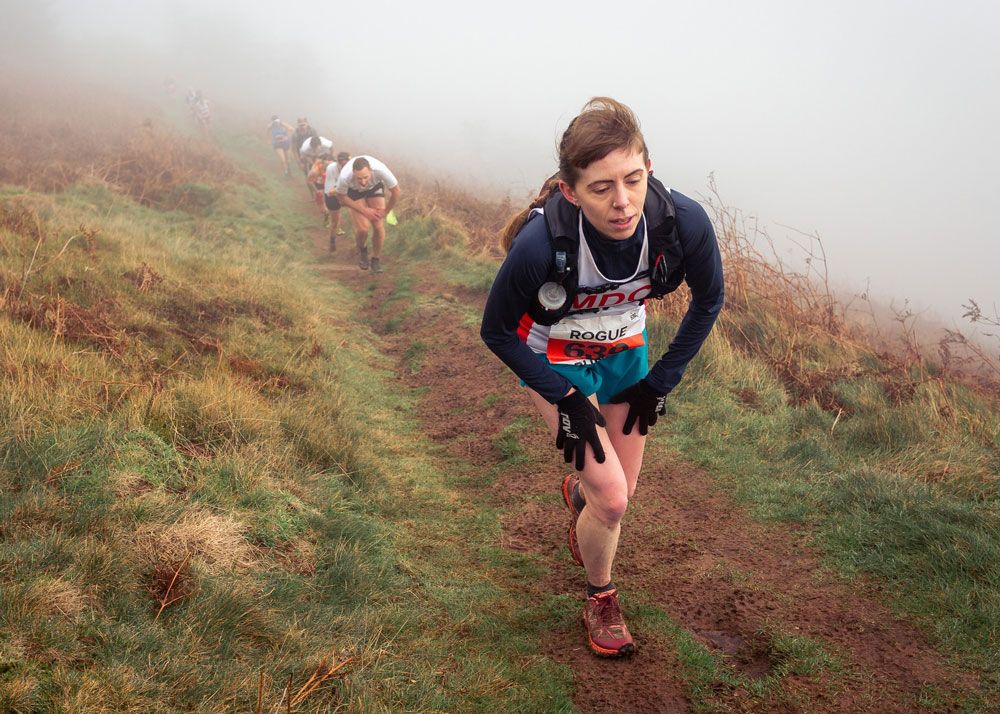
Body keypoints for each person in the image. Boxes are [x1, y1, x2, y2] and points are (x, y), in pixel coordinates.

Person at [480, 97, 724, 658]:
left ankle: (582, 491)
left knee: (618, 493)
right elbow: (496, 331)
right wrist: (562, 397)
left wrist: (659, 381)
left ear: (649, 168)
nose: (622, 203)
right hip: (555, 359)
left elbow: (709, 300)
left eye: (633, 180)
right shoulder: (540, 244)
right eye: (601, 188)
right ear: (569, 190)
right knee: (613, 501)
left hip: (626, 355)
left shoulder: (681, 222)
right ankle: (601, 596)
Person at [335, 155, 401, 273]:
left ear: (371, 170)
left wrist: (386, 212)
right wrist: (364, 210)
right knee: (363, 229)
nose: (363, 182)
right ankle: (363, 250)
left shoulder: (381, 170)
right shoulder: (345, 176)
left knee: (378, 226)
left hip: (374, 187)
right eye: (359, 178)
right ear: (353, 172)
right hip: (354, 191)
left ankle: (375, 259)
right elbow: (341, 197)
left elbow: (396, 192)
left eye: (365, 177)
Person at [323, 151, 351, 251]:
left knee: (357, 215)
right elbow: (331, 191)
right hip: (333, 195)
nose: (343, 164)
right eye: (341, 162)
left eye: (346, 162)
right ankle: (332, 240)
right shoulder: (331, 168)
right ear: (338, 162)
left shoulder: (353, 167)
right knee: (335, 221)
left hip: (346, 193)